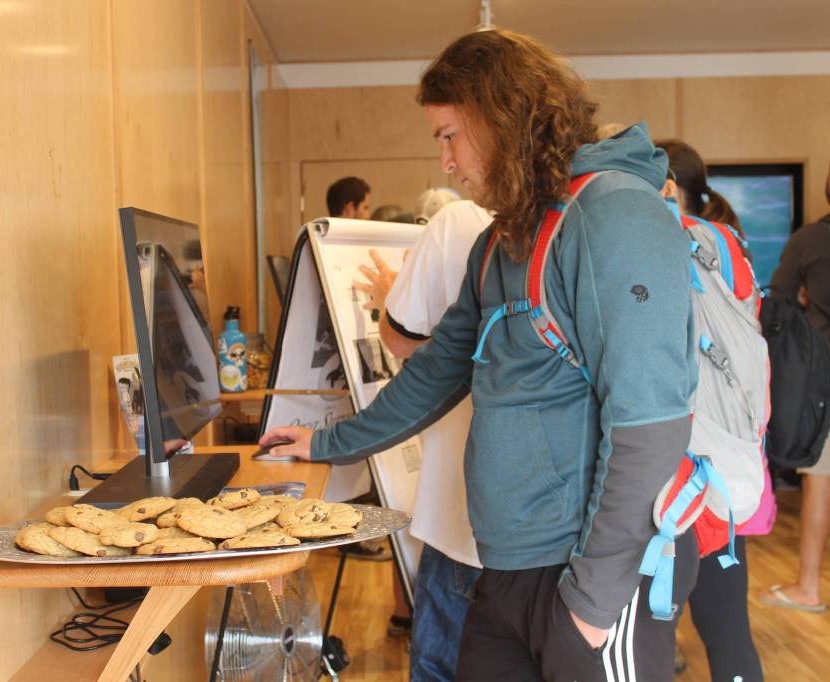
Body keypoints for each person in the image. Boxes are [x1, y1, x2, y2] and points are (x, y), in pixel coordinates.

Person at [262, 29, 698, 681]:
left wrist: (590, 605)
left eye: (448, 136)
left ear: (501, 121)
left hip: (597, 573)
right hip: (508, 569)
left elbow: (651, 429)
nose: (445, 162)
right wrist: (328, 443)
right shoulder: (500, 240)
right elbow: (439, 371)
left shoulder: (614, 218)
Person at [354, 199, 490, 679]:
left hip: (462, 521)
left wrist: (393, 296)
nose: (447, 159)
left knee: (439, 663)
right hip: (525, 529)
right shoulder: (551, 230)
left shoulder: (458, 222)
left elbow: (401, 340)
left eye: (448, 136)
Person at [656, 137, 768, 681]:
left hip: (679, 461)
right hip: (730, 459)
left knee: (651, 626)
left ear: (667, 188)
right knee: (728, 628)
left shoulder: (666, 245)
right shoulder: (732, 247)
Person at [763, 161, 830, 613]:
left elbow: (777, 307)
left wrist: (808, 301)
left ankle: (809, 588)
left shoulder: (810, 240)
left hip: (824, 378)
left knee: (820, 483)